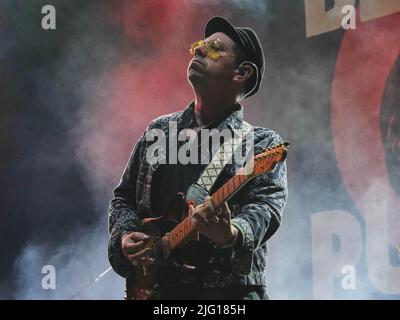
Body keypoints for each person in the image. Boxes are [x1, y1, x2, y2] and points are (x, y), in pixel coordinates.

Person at [108, 16, 288, 300]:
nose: (199, 51)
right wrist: (125, 236)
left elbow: (265, 208)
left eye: (215, 48)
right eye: (198, 47)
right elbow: (123, 199)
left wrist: (231, 233)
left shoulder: (261, 144)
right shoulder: (159, 131)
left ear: (242, 73)